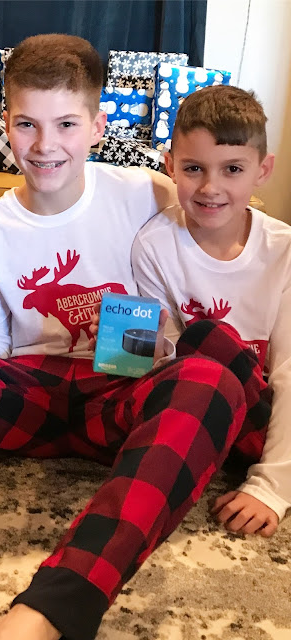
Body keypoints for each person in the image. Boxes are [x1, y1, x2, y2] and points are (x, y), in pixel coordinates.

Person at [0, 35, 271, 640]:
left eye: (66, 124)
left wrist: (171, 339)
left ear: (96, 126)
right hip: (30, 395)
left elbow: (210, 240)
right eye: (27, 125)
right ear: (6, 125)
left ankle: (49, 613)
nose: (46, 146)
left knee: (210, 379)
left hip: (122, 394)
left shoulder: (148, 192)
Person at [131, 85, 291, 537]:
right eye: (194, 168)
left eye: (232, 169)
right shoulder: (154, 245)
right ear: (170, 166)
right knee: (200, 345)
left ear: (263, 170)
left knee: (208, 337)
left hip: (264, 415)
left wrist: (271, 487)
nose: (210, 188)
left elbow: (287, 370)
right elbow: (163, 365)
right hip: (203, 408)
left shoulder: (283, 250)